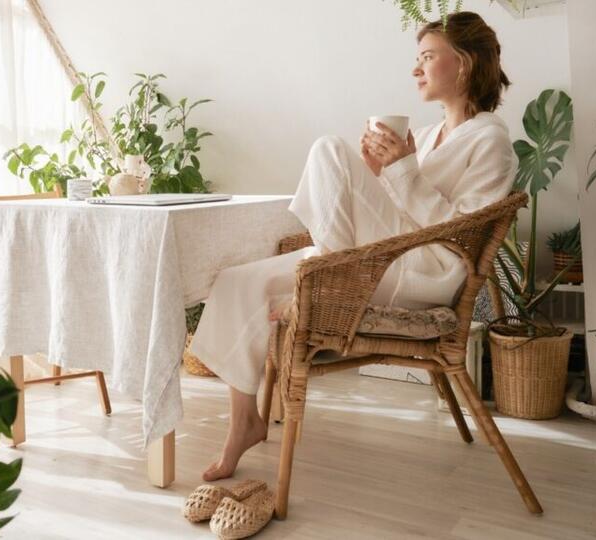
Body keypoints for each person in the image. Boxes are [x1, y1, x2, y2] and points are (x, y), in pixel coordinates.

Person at [189, 11, 518, 482]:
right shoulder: (426, 137)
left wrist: (400, 170)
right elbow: (396, 211)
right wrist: (375, 174)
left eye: (428, 57)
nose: (416, 69)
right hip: (374, 262)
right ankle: (245, 424)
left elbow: (461, 235)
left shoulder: (491, 141)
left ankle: (326, 279)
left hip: (425, 274)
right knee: (238, 282)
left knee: (328, 149)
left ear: (464, 63)